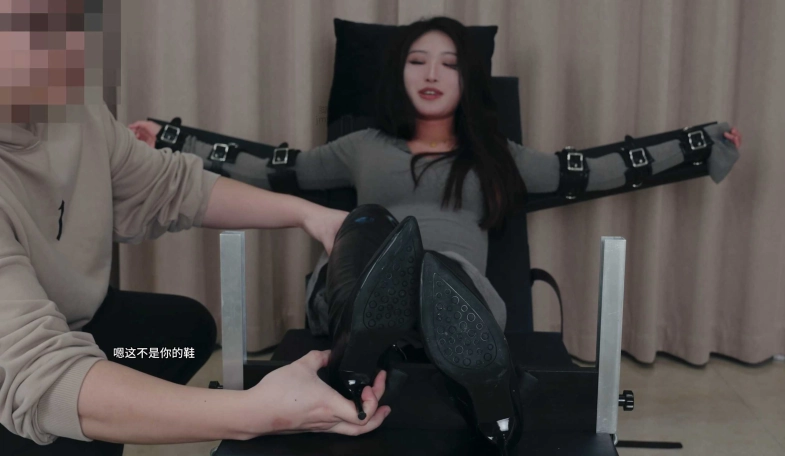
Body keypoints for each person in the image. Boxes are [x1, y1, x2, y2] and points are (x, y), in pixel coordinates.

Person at [130, 16, 742, 454]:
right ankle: (386, 332)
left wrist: (698, 144)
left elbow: (590, 169)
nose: (431, 73)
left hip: (455, 288)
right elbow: (271, 168)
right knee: (369, 226)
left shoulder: (496, 154)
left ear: (467, 79)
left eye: (449, 63)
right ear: (398, 74)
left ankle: (395, 353)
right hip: (357, 269)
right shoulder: (363, 146)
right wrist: (172, 140)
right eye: (417, 60)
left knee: (436, 268)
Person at [0, 3, 390, 456]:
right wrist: (254, 412)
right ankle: (100, 418)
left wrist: (312, 216)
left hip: (80, 319)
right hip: (22, 368)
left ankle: (114, 405)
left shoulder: (70, 100)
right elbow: (40, 378)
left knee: (185, 336)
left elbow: (170, 184)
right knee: (64, 423)